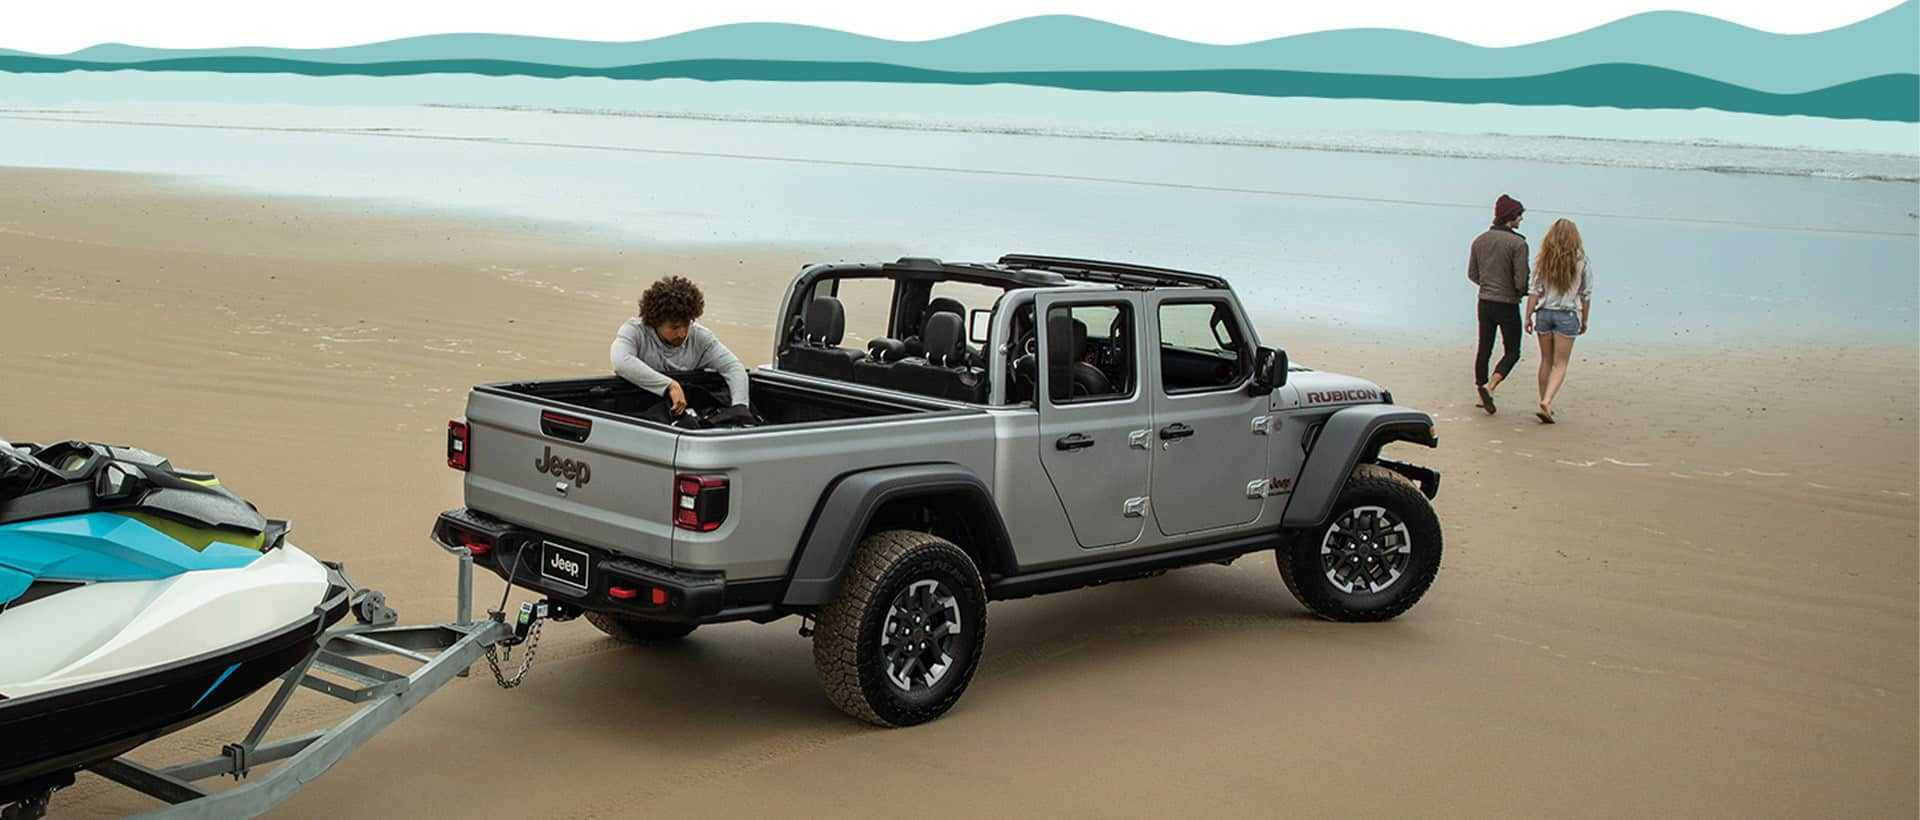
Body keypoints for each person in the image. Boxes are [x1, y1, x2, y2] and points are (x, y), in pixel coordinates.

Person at [611, 275, 750, 416]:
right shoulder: (634, 331)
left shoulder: (700, 338)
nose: (682, 333)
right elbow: (621, 362)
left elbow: (733, 368)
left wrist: (740, 410)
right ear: (654, 321)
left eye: (686, 324)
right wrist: (670, 386)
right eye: (674, 327)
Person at [1524, 218, 1593, 424]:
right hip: (1567, 314)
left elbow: (1534, 290)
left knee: (1545, 360)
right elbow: (1585, 294)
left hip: (1544, 313)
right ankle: (1547, 400)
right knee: (1560, 363)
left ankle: (1544, 401)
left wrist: (1527, 316)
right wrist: (1585, 320)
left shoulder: (1544, 259)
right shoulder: (1582, 261)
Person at [1467, 194, 1530, 414]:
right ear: (1510, 217)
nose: (1521, 220)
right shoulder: (1518, 243)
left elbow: (1472, 274)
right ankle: (1491, 385)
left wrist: (1487, 285)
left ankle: (1480, 391)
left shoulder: (1479, 240)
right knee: (1512, 350)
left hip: (1484, 301)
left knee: (1484, 346)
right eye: (1519, 215)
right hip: (1507, 303)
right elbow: (1521, 280)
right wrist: (1520, 292)